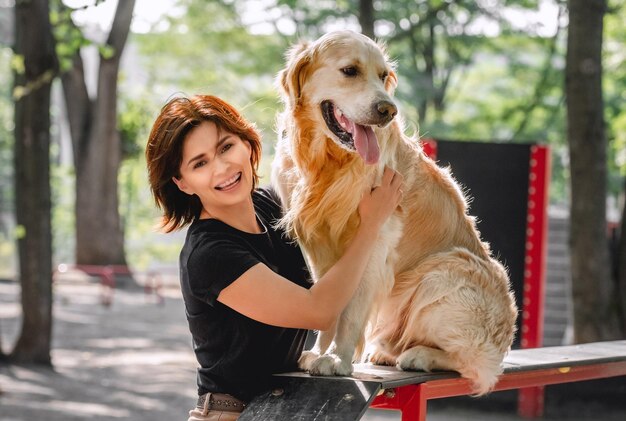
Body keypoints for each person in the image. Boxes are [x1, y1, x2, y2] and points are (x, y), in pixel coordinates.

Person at [145, 94, 403, 421]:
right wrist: (371, 224)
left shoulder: (272, 207)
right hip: (232, 413)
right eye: (200, 163)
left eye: (226, 147)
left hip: (286, 406)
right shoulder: (210, 254)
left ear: (247, 143)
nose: (222, 168)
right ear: (182, 183)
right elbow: (319, 311)